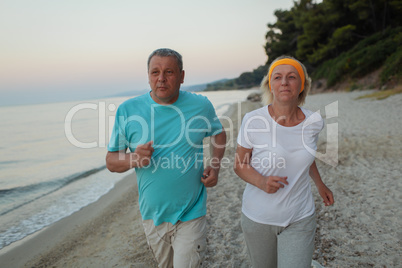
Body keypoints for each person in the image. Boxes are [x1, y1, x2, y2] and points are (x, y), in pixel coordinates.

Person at [106, 48, 226, 268]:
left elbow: (218, 133)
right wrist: (134, 159)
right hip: (153, 216)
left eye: (169, 72)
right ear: (148, 75)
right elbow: (111, 161)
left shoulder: (200, 106)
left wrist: (215, 166)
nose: (161, 78)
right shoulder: (128, 110)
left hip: (191, 211)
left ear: (181, 76)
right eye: (155, 72)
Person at [234, 56, 334, 268]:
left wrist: (320, 184)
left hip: (300, 215)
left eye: (291, 77)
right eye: (277, 77)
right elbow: (240, 165)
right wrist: (262, 182)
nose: (284, 82)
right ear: (270, 85)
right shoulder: (253, 120)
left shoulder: (314, 121)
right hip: (258, 217)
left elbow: (305, 155)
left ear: (302, 85)